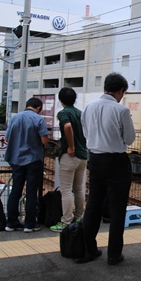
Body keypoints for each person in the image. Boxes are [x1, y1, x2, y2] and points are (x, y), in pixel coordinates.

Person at [80, 72, 136, 265]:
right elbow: (129, 139)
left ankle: (88, 250)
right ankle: (113, 254)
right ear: (120, 91)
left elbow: (86, 133)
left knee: (94, 205)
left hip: (95, 160)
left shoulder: (88, 107)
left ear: (105, 87)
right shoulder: (121, 110)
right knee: (117, 208)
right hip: (116, 162)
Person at [4, 97, 49, 233]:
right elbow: (44, 140)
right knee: (31, 192)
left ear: (26, 105)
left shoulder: (15, 118)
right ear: (39, 108)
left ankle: (11, 222)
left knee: (16, 190)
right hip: (33, 160)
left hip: (16, 159)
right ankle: (29, 224)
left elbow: (7, 138)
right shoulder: (38, 119)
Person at [50, 87, 88, 232]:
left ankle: (65, 221)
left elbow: (67, 126)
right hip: (83, 156)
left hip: (70, 156)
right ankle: (79, 217)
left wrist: (71, 146)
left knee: (66, 190)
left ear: (61, 100)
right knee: (78, 188)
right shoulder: (81, 113)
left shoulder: (64, 113)